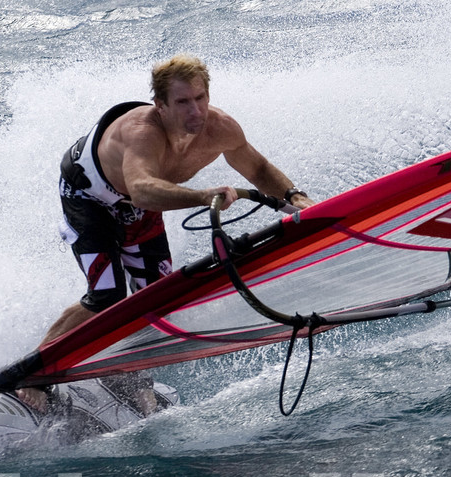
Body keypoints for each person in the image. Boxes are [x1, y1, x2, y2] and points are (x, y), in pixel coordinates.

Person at [16, 55, 313, 414]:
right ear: (161, 106)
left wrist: (295, 201)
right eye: (183, 102)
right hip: (88, 197)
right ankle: (34, 371)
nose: (197, 111)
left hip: (136, 207)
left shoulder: (220, 129)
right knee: (107, 295)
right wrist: (203, 196)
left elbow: (258, 167)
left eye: (201, 98)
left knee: (154, 300)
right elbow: (141, 188)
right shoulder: (143, 132)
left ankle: (130, 378)